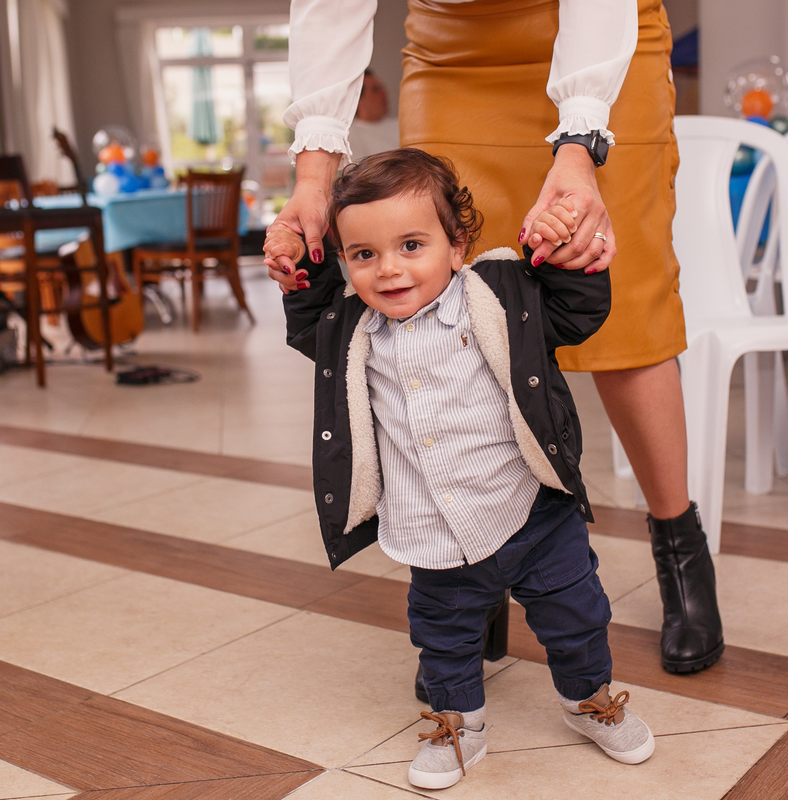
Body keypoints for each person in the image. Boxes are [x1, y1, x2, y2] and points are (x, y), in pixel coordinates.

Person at [267, 0, 724, 682]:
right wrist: (313, 178)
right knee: (432, 294)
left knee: (627, 307)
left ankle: (679, 546)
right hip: (453, 58)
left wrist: (580, 146)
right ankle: (472, 565)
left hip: (599, 46)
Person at [274, 148, 654, 789]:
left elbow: (578, 310)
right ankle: (459, 722)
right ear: (345, 263)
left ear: (458, 246)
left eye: (412, 245)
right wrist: (295, 264)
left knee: (577, 615)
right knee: (443, 637)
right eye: (364, 255)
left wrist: (567, 254)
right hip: (434, 528)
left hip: (533, 511)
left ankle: (588, 699)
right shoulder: (350, 328)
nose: (389, 269)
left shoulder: (502, 295)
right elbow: (307, 311)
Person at [348, 68, 400, 161]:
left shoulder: (400, 125)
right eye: (375, 90)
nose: (383, 93)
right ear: (358, 101)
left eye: (382, 87)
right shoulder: (351, 135)